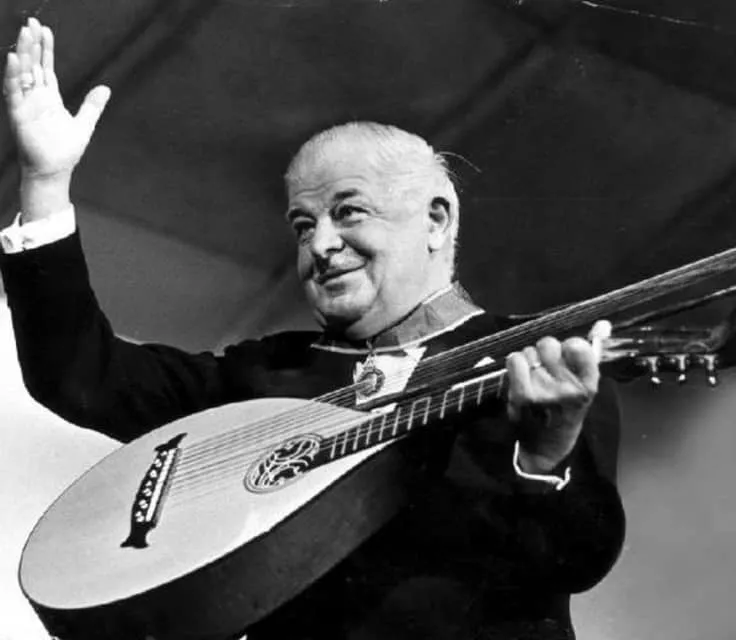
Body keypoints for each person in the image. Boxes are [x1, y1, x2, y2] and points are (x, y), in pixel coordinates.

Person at [1, 17, 624, 640]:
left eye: (348, 212)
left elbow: (578, 559)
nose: (321, 245)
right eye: (303, 226)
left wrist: (547, 455)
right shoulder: (268, 373)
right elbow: (81, 376)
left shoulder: (543, 359)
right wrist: (45, 185)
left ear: (436, 221)